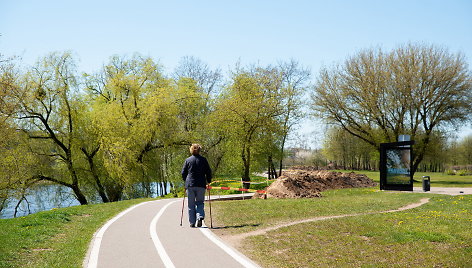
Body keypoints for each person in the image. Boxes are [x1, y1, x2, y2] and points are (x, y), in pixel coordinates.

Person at [181, 144, 212, 227]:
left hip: (190, 185)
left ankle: (192, 222)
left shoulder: (188, 160)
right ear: (199, 150)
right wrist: (208, 181)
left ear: (191, 150)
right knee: (200, 202)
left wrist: (185, 181)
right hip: (201, 185)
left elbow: (183, 173)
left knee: (191, 204)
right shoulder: (203, 160)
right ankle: (200, 216)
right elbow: (208, 172)